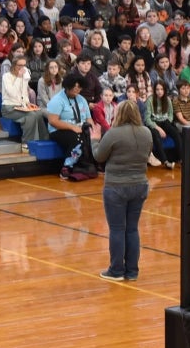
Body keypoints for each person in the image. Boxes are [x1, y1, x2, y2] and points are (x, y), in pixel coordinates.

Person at [94, 99, 153, 282]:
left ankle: (116, 270)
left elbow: (99, 156)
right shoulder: (146, 132)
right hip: (140, 184)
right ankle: (132, 271)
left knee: (117, 229)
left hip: (116, 186)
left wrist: (95, 139)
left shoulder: (114, 134)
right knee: (132, 229)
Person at [1, 56, 48, 151]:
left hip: (22, 106)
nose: (22, 68)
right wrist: (18, 77)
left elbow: (24, 93)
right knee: (30, 116)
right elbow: (12, 93)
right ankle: (27, 143)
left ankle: (44, 140)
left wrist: (27, 103)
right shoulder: (6, 76)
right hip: (9, 108)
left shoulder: (25, 74)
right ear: (14, 65)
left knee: (38, 113)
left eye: (24, 65)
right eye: (20, 65)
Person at [45, 73, 95, 155]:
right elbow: (53, 121)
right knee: (78, 139)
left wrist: (93, 131)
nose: (76, 89)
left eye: (79, 87)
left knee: (97, 137)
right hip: (59, 131)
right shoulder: (57, 100)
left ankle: (91, 164)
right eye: (74, 87)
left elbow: (88, 119)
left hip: (79, 128)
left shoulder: (82, 99)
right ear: (67, 86)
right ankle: (70, 165)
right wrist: (72, 127)